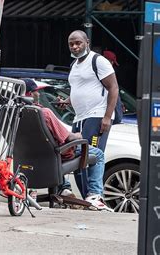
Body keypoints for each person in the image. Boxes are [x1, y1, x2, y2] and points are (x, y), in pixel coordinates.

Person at [22, 79, 111, 211]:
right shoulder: (44, 113)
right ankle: (94, 195)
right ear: (30, 94)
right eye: (36, 92)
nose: (39, 94)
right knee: (97, 154)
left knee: (52, 147)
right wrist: (79, 136)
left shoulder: (14, 112)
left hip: (30, 156)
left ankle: (64, 188)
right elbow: (67, 137)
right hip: (56, 155)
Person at [57, 30, 119, 207]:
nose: (75, 46)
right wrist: (68, 100)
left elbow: (113, 88)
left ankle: (94, 195)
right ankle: (87, 199)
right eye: (71, 44)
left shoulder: (98, 61)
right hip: (79, 118)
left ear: (87, 42)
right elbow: (82, 89)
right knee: (76, 158)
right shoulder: (74, 65)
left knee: (90, 155)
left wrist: (107, 117)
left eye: (78, 43)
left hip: (97, 116)